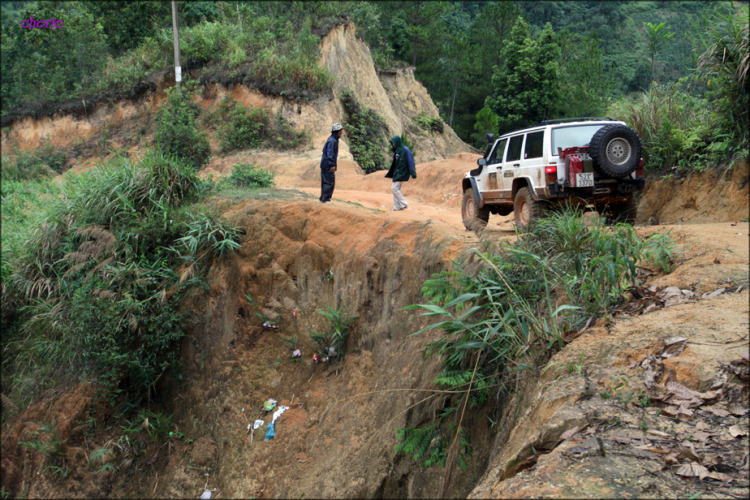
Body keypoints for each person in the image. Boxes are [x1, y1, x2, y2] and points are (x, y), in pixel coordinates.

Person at [384, 135, 416, 211]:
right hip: (397, 172)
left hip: (402, 172)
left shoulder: (406, 150)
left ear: (397, 142)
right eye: (392, 143)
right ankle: (397, 207)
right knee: (396, 189)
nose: (393, 145)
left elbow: (410, 161)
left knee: (394, 188)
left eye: (394, 143)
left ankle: (404, 203)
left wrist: (413, 172)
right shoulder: (396, 150)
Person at [320, 123, 343, 203]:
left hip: (325, 164)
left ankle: (323, 198)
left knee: (325, 181)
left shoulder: (332, 139)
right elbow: (331, 154)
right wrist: (332, 165)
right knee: (329, 181)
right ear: (337, 132)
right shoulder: (333, 141)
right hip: (327, 165)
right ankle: (325, 199)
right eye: (340, 131)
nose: (341, 133)